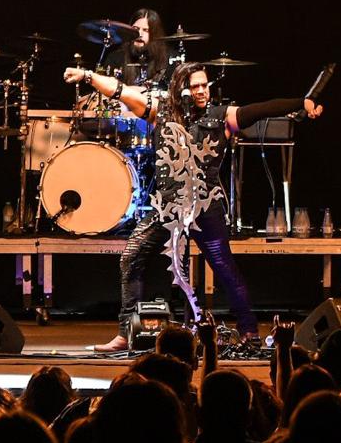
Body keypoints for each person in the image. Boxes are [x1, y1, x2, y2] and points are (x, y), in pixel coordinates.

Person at [65, 60, 323, 351]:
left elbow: (261, 109)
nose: (202, 91)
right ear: (180, 90)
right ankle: (127, 333)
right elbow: (120, 91)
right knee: (130, 257)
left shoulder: (222, 117)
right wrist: (87, 75)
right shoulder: (159, 114)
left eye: (205, 85)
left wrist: (302, 101)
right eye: (195, 86)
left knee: (225, 268)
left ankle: (249, 333)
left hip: (203, 207)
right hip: (166, 208)